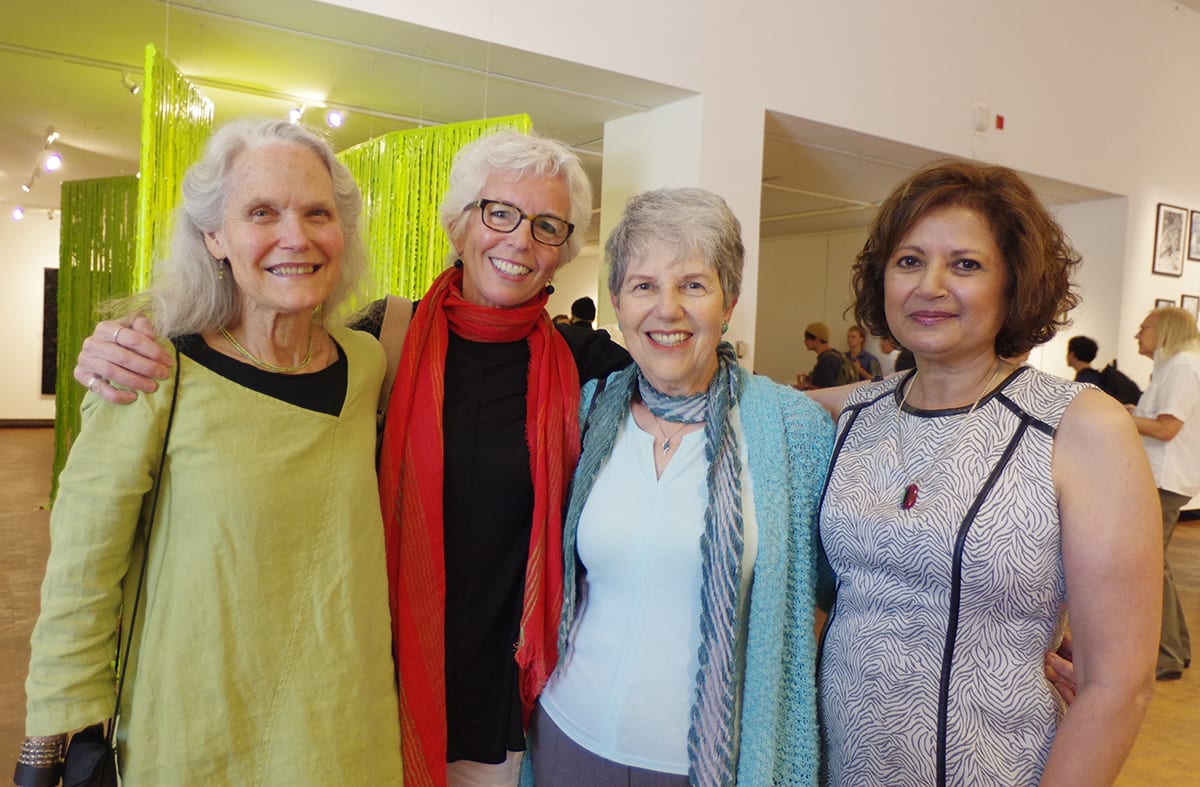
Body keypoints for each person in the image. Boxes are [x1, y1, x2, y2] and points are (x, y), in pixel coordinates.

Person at [70, 129, 631, 787]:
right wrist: (118, 346)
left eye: (546, 225)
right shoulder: (379, 342)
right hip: (365, 693)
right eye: (497, 212)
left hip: (508, 710)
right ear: (457, 223)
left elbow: (683, 389)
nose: (518, 239)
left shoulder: (590, 371)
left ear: (564, 249)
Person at [16, 119, 404, 785]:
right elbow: (83, 566)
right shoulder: (152, 368)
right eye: (262, 212)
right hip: (196, 734)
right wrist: (50, 736)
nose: (296, 236)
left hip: (344, 729)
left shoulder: (367, 362)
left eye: (318, 213)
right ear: (214, 237)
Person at [809, 160, 1160, 786]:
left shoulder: (1081, 427)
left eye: (965, 264)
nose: (930, 286)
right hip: (839, 765)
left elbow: (1118, 686)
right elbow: (726, 407)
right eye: (909, 261)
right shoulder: (851, 411)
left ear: (1013, 284)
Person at [526, 188, 834, 785]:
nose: (666, 309)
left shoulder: (790, 431)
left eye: (693, 285)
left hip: (709, 764)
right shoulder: (586, 415)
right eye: (643, 286)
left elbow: (843, 591)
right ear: (617, 302)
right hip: (568, 736)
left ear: (730, 301)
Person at [1129, 306, 1200, 681]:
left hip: (1166, 478)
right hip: (1160, 477)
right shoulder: (1175, 367)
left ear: (1167, 330)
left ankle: (1168, 654)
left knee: (1151, 566)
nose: (1138, 335)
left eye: (1144, 327)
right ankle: (1175, 650)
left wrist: (1117, 415)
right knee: (1158, 565)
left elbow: (1166, 429)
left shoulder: (1183, 367)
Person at [797, 321, 848, 388]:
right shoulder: (836, 355)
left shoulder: (827, 360)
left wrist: (805, 386)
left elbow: (826, 391)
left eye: (807, 338)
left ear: (817, 339)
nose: (805, 341)